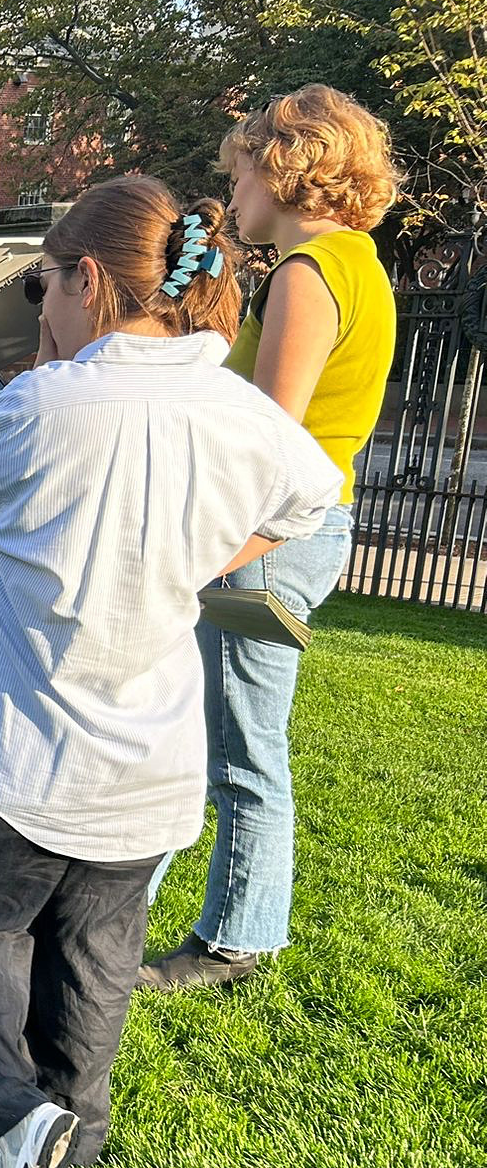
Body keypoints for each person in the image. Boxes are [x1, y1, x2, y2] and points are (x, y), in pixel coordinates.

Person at [0, 176, 344, 1168]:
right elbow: (314, 494)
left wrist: (39, 376)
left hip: (12, 752)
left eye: (43, 281)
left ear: (88, 280)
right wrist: (198, 557)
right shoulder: (238, 413)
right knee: (94, 952)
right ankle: (67, 1126)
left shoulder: (43, 402)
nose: (37, 302)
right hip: (147, 762)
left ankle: (11, 1119)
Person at [139, 85, 401, 991]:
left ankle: (231, 940)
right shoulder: (356, 264)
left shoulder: (308, 273)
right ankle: (176, 913)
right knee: (228, 735)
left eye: (241, 167)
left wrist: (208, 554)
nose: (234, 186)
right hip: (301, 532)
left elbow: (274, 442)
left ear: (286, 165)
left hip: (270, 541)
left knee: (240, 745)